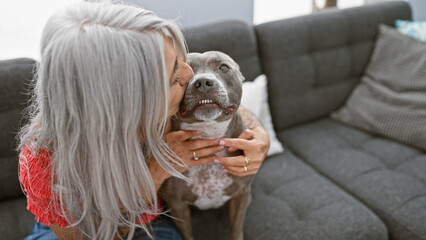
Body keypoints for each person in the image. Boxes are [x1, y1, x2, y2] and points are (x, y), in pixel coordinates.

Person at [18, 2, 270, 239]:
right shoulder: (44, 165)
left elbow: (229, 108)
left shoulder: (167, 111)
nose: (190, 74)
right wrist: (156, 173)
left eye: (180, 60)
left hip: (153, 216)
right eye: (173, 76)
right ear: (128, 103)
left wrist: (260, 137)